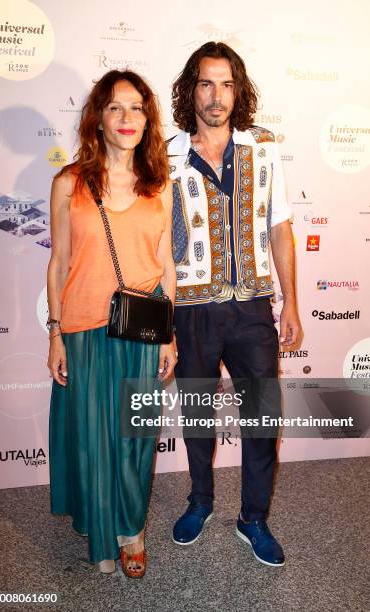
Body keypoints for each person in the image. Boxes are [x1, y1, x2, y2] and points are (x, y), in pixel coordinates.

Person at [168, 42, 301, 566]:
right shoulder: (168, 153)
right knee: (198, 416)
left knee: (263, 420)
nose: (216, 96)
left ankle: (254, 518)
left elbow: (281, 227)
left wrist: (290, 303)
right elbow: (157, 239)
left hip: (252, 309)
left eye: (226, 84)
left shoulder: (263, 146)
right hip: (193, 310)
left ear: (238, 90)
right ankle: (200, 501)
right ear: (190, 89)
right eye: (206, 83)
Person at [47, 70, 176, 578]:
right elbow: (58, 263)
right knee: (93, 438)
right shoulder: (69, 182)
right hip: (81, 329)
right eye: (116, 108)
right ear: (97, 119)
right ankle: (104, 534)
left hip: (142, 331)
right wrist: (54, 331)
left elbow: (166, 264)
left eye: (137, 109)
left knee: (137, 437)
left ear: (148, 120)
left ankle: (133, 528)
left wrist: (170, 334)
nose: (127, 119)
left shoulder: (159, 185)